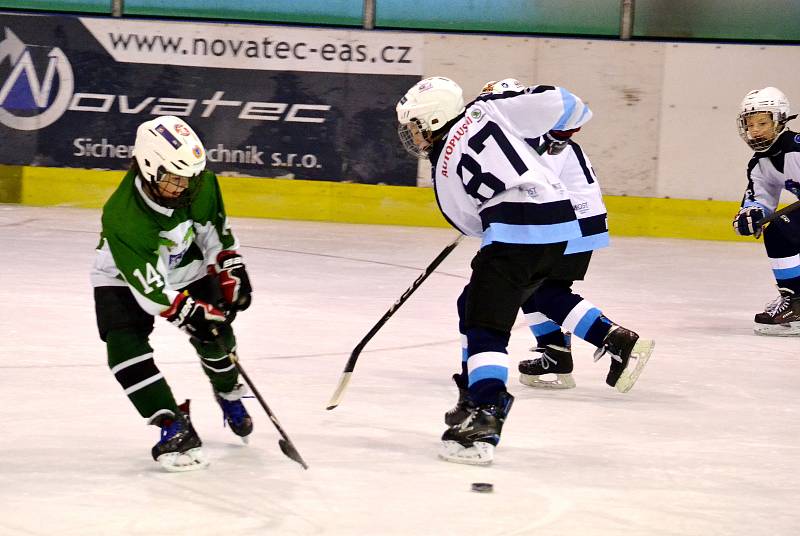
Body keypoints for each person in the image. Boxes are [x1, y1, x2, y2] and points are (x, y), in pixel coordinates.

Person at [396, 77, 655, 465]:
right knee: (479, 301)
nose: (413, 137)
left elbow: (466, 221)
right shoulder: (490, 110)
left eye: (415, 127)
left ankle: (484, 411)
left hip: (517, 232)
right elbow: (572, 104)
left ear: (433, 120)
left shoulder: (442, 166)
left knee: (486, 322)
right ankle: (490, 384)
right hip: (558, 228)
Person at [91, 115, 254, 472]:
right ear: (149, 168)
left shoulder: (198, 183)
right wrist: (189, 312)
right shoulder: (123, 217)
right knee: (124, 351)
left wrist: (230, 266)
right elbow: (150, 290)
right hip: (121, 274)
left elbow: (216, 235)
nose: (184, 187)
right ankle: (171, 424)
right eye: (174, 179)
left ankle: (228, 390)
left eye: (189, 178)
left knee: (217, 336)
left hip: (186, 265)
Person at [732, 87, 800, 335]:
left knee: (783, 229)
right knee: (780, 230)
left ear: (780, 120)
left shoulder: (797, 147)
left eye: (762, 122)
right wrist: (751, 214)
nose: (755, 130)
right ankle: (795, 296)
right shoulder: (760, 162)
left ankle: (798, 303)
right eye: (750, 124)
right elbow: (760, 200)